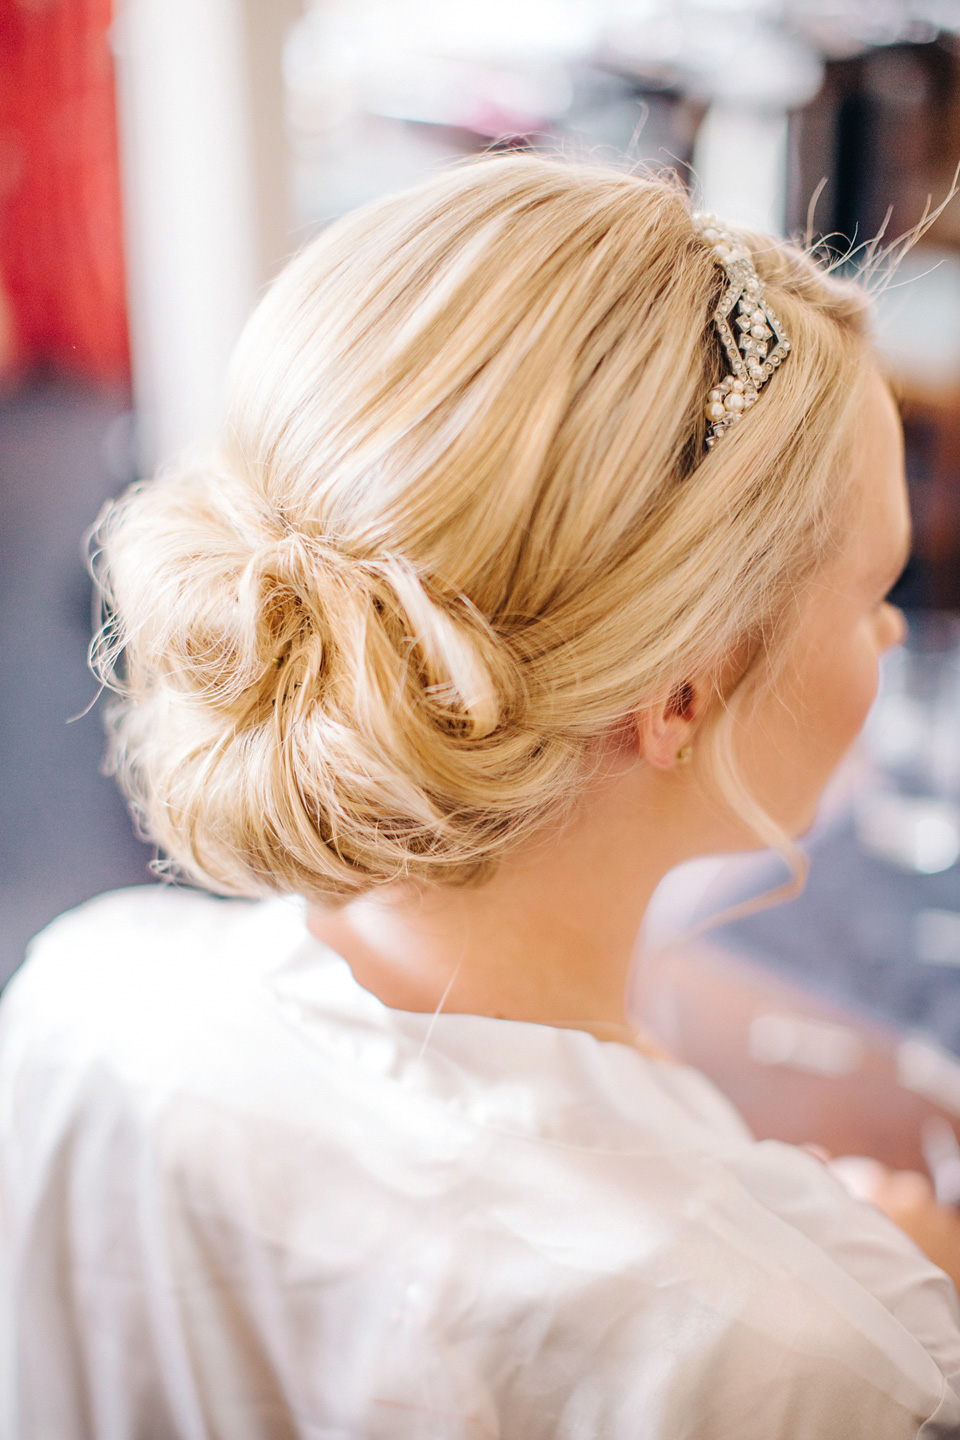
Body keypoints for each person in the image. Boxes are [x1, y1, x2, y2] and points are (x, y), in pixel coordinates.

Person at [0, 155, 958, 1438]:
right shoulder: (796, 1360)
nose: (894, 645)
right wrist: (878, 1290)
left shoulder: (84, 995)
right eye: (871, 593)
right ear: (684, 692)